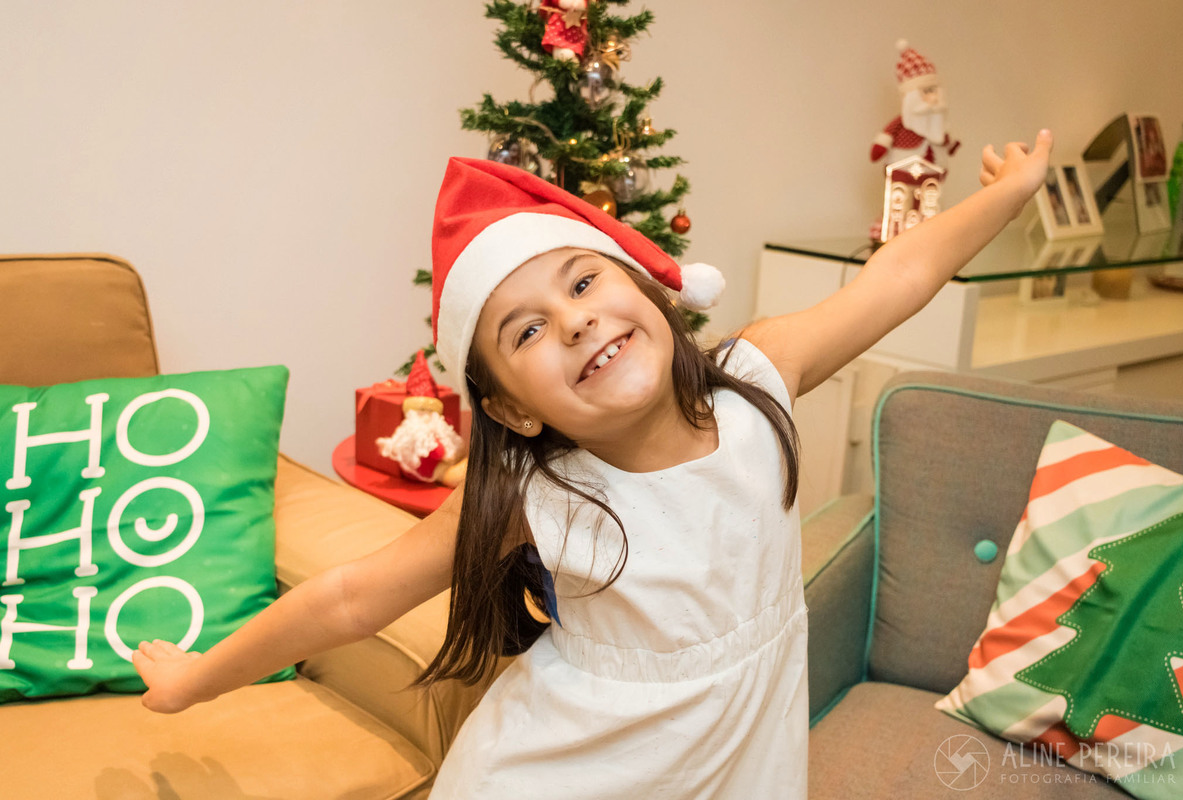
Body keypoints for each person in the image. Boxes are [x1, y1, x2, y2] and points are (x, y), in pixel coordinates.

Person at [135, 129, 1053, 798]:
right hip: (568, 771)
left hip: (740, 761)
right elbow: (349, 599)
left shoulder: (757, 374)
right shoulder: (537, 497)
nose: (574, 319)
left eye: (583, 282)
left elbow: (898, 276)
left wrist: (1010, 194)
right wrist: (195, 677)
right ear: (509, 408)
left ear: (645, 286)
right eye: (527, 329)